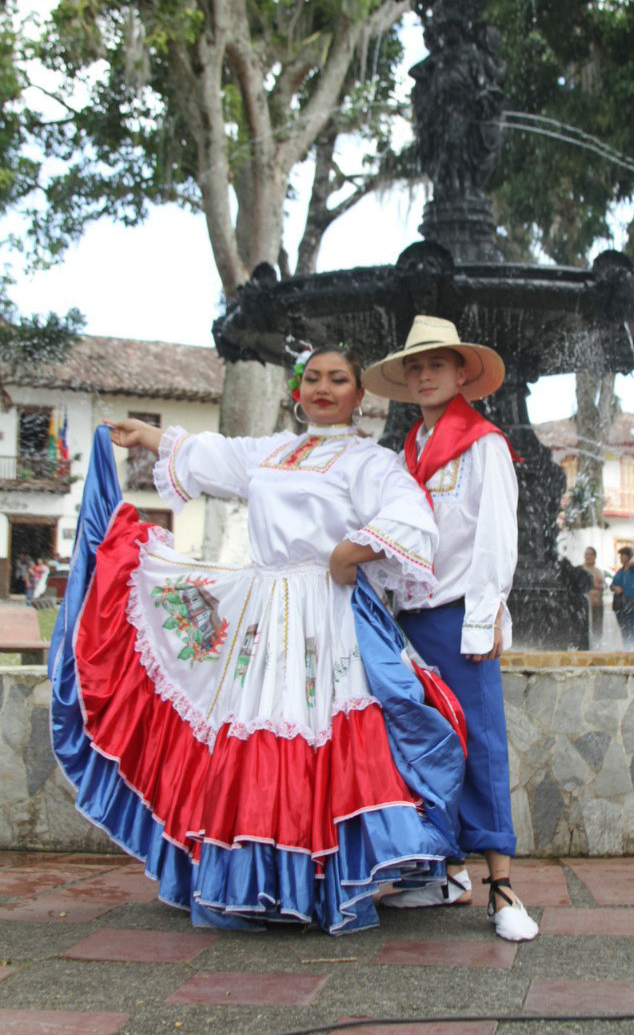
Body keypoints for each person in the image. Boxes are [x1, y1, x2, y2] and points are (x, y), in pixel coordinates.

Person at [49, 346, 467, 935]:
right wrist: (147, 435)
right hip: (265, 609)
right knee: (256, 730)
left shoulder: (366, 461)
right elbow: (211, 454)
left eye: (338, 379)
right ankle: (255, 881)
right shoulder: (272, 451)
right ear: (298, 391)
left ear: (358, 396)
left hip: (327, 614)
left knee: (317, 730)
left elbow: (411, 516)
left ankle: (322, 882)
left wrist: (351, 550)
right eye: (313, 378)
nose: (323, 388)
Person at [362, 315, 539, 943]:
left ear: (463, 371)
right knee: (424, 744)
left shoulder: (484, 442)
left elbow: (497, 535)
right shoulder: (403, 451)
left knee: (483, 743)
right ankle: (444, 873)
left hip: (461, 614)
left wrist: (485, 617)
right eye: (415, 366)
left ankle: (503, 887)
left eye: (437, 363)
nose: (425, 373)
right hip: (408, 620)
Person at [611, 546, 634, 645]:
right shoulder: (620, 571)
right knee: (623, 628)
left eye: (623, 556)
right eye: (620, 556)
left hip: (630, 601)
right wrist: (614, 588)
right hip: (619, 602)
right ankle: (626, 647)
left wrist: (633, 555)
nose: (620, 558)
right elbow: (612, 584)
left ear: (628, 557)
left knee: (630, 627)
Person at [583, 546, 605, 647]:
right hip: (584, 606)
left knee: (597, 628)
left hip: (597, 605)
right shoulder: (581, 570)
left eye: (590, 554)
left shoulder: (599, 571)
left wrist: (599, 586)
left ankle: (597, 646)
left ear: (595, 556)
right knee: (584, 627)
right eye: (586, 554)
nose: (588, 556)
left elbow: (604, 585)